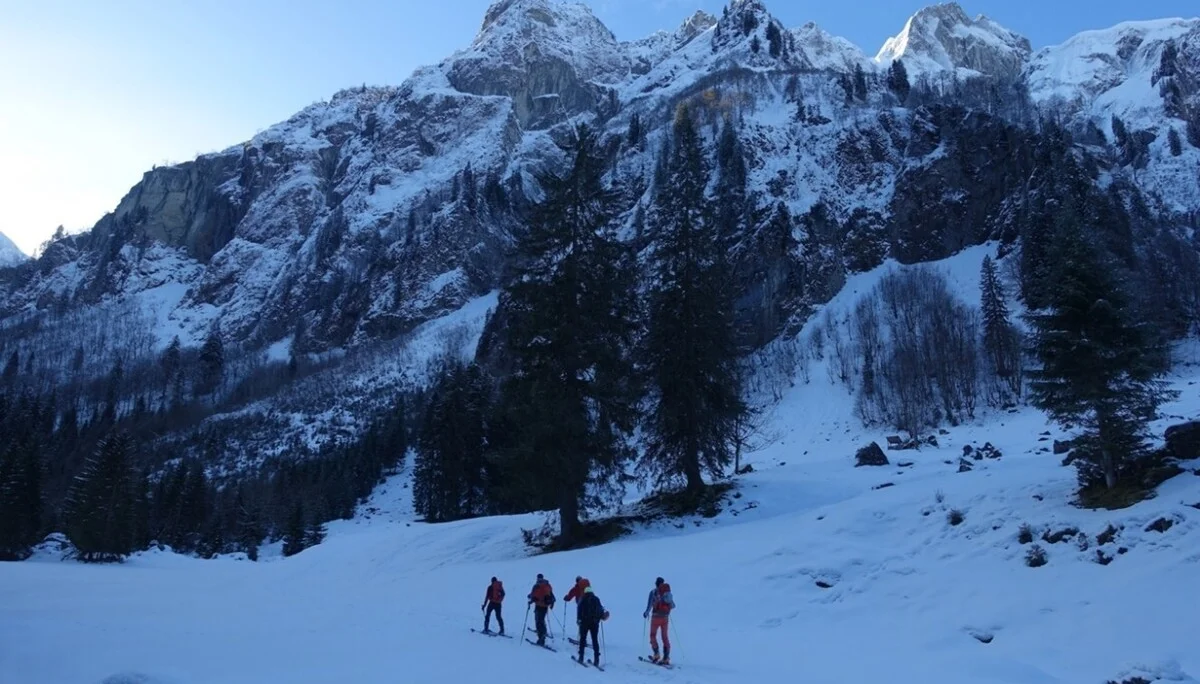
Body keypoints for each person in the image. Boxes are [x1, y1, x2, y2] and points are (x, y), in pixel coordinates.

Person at [643, 576, 675, 665]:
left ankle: (656, 654)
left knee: (653, 635)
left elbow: (649, 605)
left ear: (656, 583)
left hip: (655, 617)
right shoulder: (667, 593)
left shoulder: (653, 592)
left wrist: (646, 613)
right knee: (665, 637)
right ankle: (666, 658)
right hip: (665, 617)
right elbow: (672, 605)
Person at [576, 586, 609, 666]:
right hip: (594, 623)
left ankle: (581, 657)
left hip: (584, 623)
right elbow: (600, 610)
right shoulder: (596, 599)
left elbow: (579, 610)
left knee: (582, 640)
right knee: (595, 640)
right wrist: (601, 617)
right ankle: (596, 659)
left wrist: (578, 620)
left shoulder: (583, 599)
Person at [527, 573, 555, 645]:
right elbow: (551, 595)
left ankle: (541, 638)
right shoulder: (547, 585)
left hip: (539, 606)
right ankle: (543, 633)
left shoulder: (536, 586)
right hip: (545, 606)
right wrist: (552, 604)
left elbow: (533, 595)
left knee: (538, 621)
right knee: (541, 620)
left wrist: (530, 600)